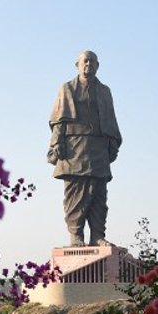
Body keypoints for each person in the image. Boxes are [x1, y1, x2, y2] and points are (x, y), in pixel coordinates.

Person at [48, 50, 122, 246]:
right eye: (85, 61)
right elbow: (58, 120)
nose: (88, 64)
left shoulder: (105, 91)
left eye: (92, 61)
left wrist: (112, 142)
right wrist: (57, 143)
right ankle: (76, 235)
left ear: (98, 66)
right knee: (75, 193)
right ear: (77, 65)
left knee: (99, 194)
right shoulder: (67, 88)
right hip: (74, 149)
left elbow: (111, 119)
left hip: (98, 148)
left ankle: (98, 235)